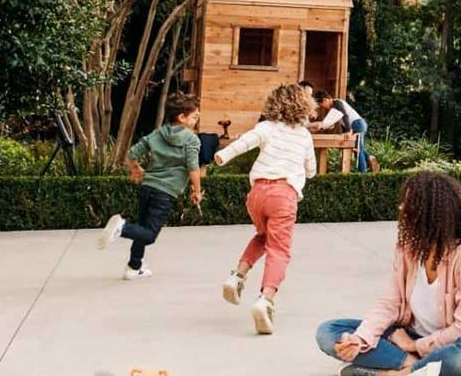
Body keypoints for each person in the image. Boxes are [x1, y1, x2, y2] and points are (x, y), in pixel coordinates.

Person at [315, 172, 461, 376]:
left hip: (452, 344)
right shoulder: (409, 249)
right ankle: (417, 368)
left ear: (432, 214)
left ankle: (397, 373)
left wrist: (414, 345)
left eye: (410, 204)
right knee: (328, 332)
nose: (401, 208)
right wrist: (359, 339)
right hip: (405, 338)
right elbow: (390, 303)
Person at [213, 83, 318, 335]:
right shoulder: (304, 136)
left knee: (263, 236)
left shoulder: (266, 128)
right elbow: (311, 170)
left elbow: (243, 143)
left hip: (257, 194)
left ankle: (237, 276)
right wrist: (303, 170)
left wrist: (222, 157)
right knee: (279, 250)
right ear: (304, 106)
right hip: (283, 195)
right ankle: (266, 300)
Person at [98, 93, 203, 280]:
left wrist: (136, 168)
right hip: (165, 192)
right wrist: (196, 191)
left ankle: (134, 266)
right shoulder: (191, 140)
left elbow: (130, 155)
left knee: (143, 226)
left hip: (147, 187)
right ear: (182, 117)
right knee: (150, 234)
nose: (196, 120)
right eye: (194, 116)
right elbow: (193, 167)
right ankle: (121, 228)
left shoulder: (158, 133)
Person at [307, 84, 373, 172]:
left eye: (321, 104)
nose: (323, 108)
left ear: (325, 100)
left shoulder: (337, 103)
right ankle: (370, 158)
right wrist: (318, 128)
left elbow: (345, 115)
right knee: (356, 147)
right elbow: (332, 123)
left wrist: (349, 131)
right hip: (355, 125)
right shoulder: (334, 108)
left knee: (358, 149)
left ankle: (363, 174)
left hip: (357, 124)